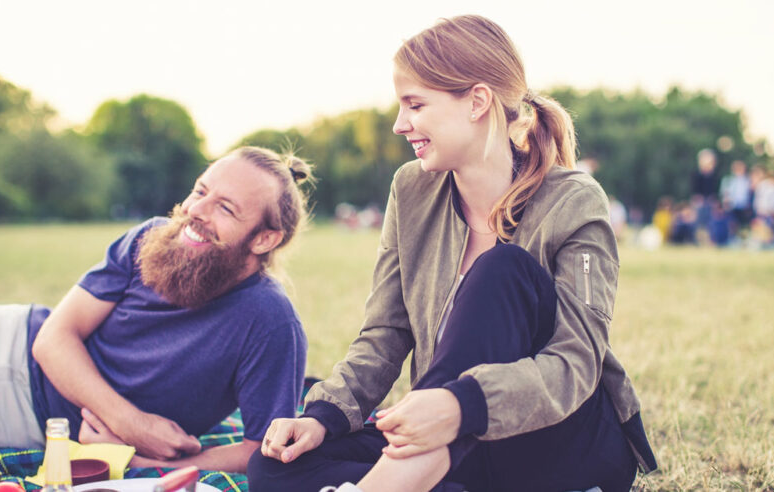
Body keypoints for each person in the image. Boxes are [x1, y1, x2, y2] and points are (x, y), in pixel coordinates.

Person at [248, 15, 656, 492]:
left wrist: (462, 405)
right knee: (277, 464)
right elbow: (386, 332)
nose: (401, 125)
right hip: (454, 445)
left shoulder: (575, 201)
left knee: (502, 270)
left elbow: (575, 365)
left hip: (558, 446)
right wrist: (324, 414)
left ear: (478, 102)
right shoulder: (412, 190)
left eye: (415, 105)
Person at [0, 146, 311, 473]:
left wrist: (136, 460)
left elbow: (262, 448)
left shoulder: (271, 323)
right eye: (200, 191)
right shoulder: (150, 237)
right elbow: (52, 339)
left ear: (264, 239)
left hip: (25, 413)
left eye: (226, 208)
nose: (195, 211)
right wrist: (132, 425)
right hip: (2, 332)